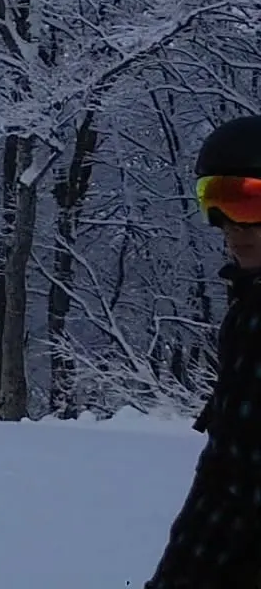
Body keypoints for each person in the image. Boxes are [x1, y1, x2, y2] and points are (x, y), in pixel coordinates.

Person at [146, 116, 261, 588]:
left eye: (249, 201)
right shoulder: (249, 306)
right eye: (215, 201)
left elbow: (237, 483)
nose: (231, 226)